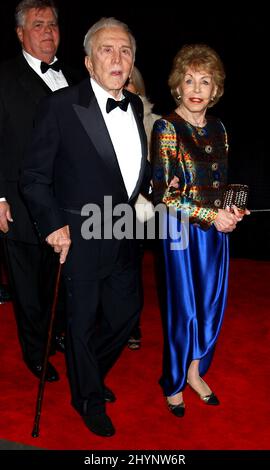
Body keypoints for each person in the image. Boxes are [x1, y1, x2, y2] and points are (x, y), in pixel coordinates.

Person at [20, 17, 149, 437]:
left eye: (125, 51)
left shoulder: (136, 107)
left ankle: (86, 368)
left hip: (126, 234)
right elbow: (33, 177)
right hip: (80, 236)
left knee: (126, 314)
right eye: (107, 50)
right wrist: (53, 225)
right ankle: (88, 396)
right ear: (90, 62)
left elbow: (134, 179)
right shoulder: (61, 105)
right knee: (81, 320)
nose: (117, 58)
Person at [152, 43, 249, 417]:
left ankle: (195, 372)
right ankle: (174, 382)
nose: (196, 87)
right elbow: (164, 195)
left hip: (215, 233)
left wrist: (232, 210)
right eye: (189, 79)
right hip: (180, 232)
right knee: (185, 311)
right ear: (177, 85)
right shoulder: (166, 128)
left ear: (215, 89)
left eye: (204, 81)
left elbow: (220, 185)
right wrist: (210, 216)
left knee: (210, 307)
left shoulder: (220, 128)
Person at [0, 0, 79, 382]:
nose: (48, 32)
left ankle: (52, 336)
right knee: (28, 285)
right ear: (20, 33)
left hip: (66, 202)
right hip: (18, 201)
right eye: (38, 25)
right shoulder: (3, 77)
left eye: (53, 24)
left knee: (56, 279)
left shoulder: (75, 75)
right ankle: (35, 352)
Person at [125, 66, 160, 350]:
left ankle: (131, 323)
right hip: (101, 205)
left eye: (130, 82)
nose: (125, 87)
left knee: (130, 267)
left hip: (139, 207)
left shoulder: (154, 123)